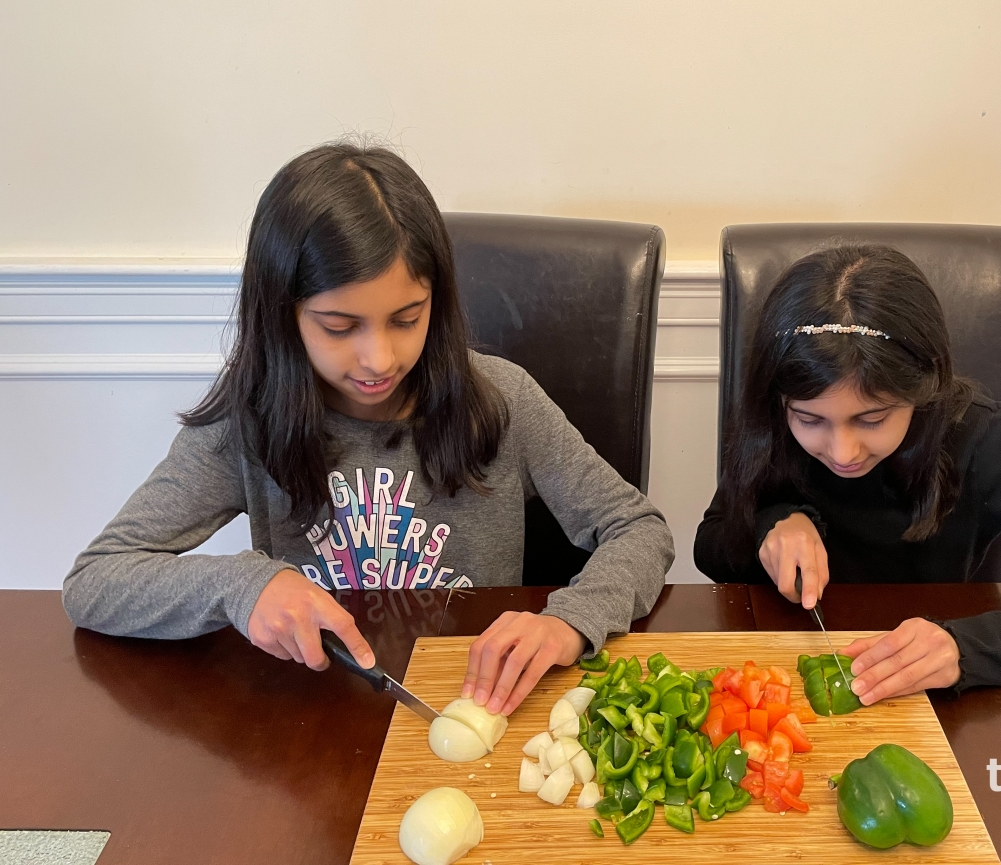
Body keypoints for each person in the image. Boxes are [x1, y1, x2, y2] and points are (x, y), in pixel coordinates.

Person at [64, 143, 673, 716]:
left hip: (475, 708)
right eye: (338, 327)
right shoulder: (248, 422)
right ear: (284, 316)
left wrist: (570, 619)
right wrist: (240, 583)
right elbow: (95, 580)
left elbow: (639, 530)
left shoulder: (502, 399)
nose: (379, 358)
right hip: (312, 725)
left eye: (406, 319)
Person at [694, 244, 1001, 705]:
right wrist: (775, 522)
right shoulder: (771, 420)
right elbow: (711, 545)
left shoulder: (979, 437)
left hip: (937, 705)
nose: (842, 451)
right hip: (793, 676)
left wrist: (964, 648)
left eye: (872, 419)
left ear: (923, 388)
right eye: (810, 420)